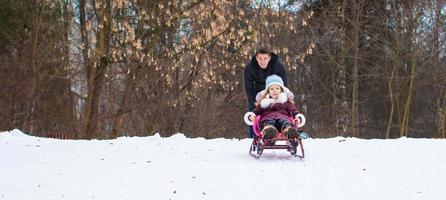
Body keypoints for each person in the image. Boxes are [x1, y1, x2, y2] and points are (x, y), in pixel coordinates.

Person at [244, 48, 290, 138]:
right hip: (257, 92)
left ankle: (285, 131)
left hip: (274, 90)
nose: (262, 61)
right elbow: (248, 87)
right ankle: (254, 137)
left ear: (269, 58)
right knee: (254, 115)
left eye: (265, 58)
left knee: (279, 113)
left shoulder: (277, 66)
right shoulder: (250, 68)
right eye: (260, 58)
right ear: (256, 58)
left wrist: (282, 97)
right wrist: (253, 103)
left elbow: (283, 84)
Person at [249, 75, 299, 141]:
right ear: (268, 91)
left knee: (285, 123)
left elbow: (294, 111)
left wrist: (298, 117)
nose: (274, 91)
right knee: (269, 123)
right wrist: (251, 116)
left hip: (283, 118)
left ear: (281, 90)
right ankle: (269, 132)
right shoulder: (263, 103)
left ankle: (289, 132)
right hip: (267, 119)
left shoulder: (285, 101)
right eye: (271, 89)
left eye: (277, 88)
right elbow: (255, 111)